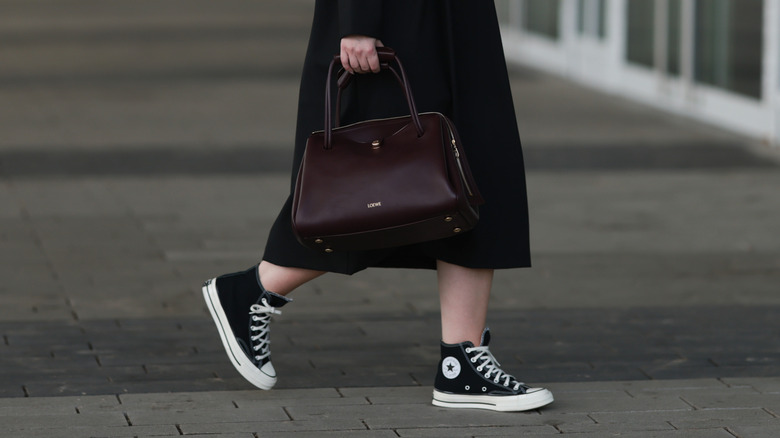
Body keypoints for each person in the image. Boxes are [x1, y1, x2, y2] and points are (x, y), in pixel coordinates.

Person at [202, 1, 554, 412]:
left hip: (458, 20)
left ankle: (462, 359)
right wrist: (359, 22)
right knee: (378, 192)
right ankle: (254, 288)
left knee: (472, 179)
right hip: (402, 20)